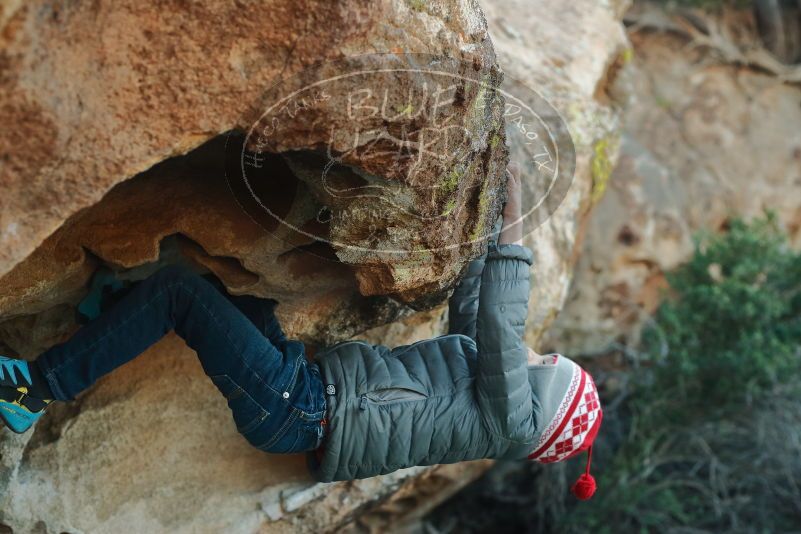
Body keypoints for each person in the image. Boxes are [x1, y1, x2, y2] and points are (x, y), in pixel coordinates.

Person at [0, 169, 602, 499]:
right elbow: (477, 316)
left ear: (543, 399)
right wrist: (483, 221)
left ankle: (35, 391)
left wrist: (516, 226)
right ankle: (112, 314)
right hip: (303, 390)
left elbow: (500, 325)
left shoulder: (513, 418)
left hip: (299, 410)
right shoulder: (491, 398)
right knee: (238, 293)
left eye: (546, 364)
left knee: (179, 294)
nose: (536, 354)